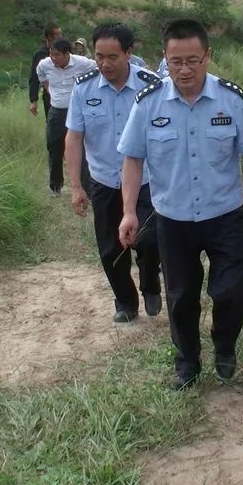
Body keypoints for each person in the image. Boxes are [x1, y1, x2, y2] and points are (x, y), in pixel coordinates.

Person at [118, 18, 243, 389]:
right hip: (172, 220)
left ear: (208, 56)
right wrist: (129, 211)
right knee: (180, 297)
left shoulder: (231, 98)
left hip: (224, 216)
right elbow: (132, 159)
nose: (185, 69)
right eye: (176, 61)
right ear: (165, 58)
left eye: (193, 60)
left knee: (233, 292)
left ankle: (224, 345)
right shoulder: (148, 103)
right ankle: (187, 364)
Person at [66, 23, 162, 323]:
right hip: (105, 181)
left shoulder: (152, 85)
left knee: (149, 240)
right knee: (111, 248)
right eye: (98, 56)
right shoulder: (84, 88)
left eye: (112, 57)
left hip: (147, 180)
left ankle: (150, 285)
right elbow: (74, 137)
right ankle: (125, 302)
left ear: (128, 54)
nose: (104, 64)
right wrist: (75, 186)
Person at [36, 39, 96, 194]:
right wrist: (51, 92)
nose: (53, 58)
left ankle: (86, 189)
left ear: (67, 54)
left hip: (78, 112)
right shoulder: (44, 64)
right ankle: (55, 186)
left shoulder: (83, 63)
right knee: (54, 148)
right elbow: (42, 78)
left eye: (56, 55)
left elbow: (98, 70)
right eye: (51, 54)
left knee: (83, 150)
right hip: (56, 112)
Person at [29, 22, 62, 119]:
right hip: (49, 97)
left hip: (66, 94)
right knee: (52, 124)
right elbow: (34, 78)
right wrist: (34, 100)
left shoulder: (65, 52)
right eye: (58, 35)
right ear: (50, 37)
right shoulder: (40, 55)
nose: (61, 37)